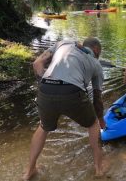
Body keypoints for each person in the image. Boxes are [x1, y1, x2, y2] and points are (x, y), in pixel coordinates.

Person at [22, 37, 105, 180]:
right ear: (96, 50)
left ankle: (29, 171)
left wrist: (45, 83)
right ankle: (99, 169)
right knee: (93, 124)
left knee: (43, 127)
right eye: (100, 52)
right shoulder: (96, 65)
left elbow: (37, 64)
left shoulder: (63, 43)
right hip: (73, 92)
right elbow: (97, 100)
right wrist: (101, 119)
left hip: (45, 87)